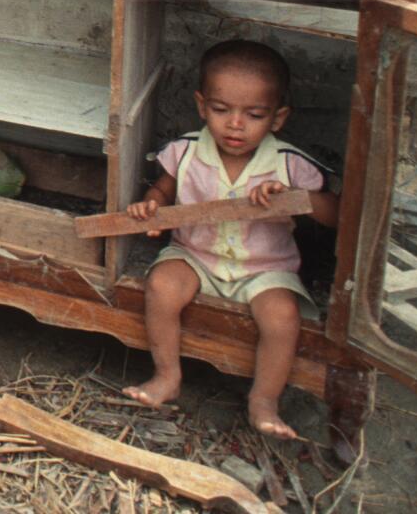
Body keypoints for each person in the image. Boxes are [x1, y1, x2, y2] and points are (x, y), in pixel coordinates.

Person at [123, 39, 338, 439]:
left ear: (278, 117)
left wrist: (296, 199)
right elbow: (164, 190)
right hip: (195, 255)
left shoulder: (289, 164)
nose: (235, 124)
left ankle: (264, 400)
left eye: (254, 114)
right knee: (161, 285)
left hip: (264, 269)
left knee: (282, 317)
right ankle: (167, 375)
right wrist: (149, 206)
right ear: (202, 106)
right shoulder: (185, 151)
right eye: (221, 110)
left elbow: (336, 216)